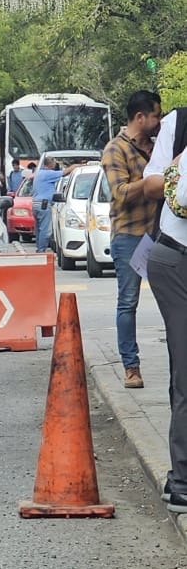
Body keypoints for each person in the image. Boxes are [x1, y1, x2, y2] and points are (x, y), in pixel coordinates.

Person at [100, 90, 163, 389]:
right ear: (140, 117)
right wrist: (150, 183)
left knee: (173, 299)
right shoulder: (115, 150)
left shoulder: (159, 146)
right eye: (156, 115)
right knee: (128, 302)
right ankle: (131, 367)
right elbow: (121, 193)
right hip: (128, 235)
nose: (158, 121)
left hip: (160, 235)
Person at [143, 106, 187, 513]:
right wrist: (177, 169)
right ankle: (183, 480)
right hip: (177, 258)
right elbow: (151, 184)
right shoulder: (179, 123)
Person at [31, 157, 64, 253]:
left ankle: (39, 248)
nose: (55, 165)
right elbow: (65, 172)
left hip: (36, 204)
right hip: (44, 204)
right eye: (54, 163)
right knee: (45, 230)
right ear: (50, 164)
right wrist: (77, 166)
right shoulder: (48, 173)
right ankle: (41, 250)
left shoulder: (39, 173)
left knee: (39, 229)